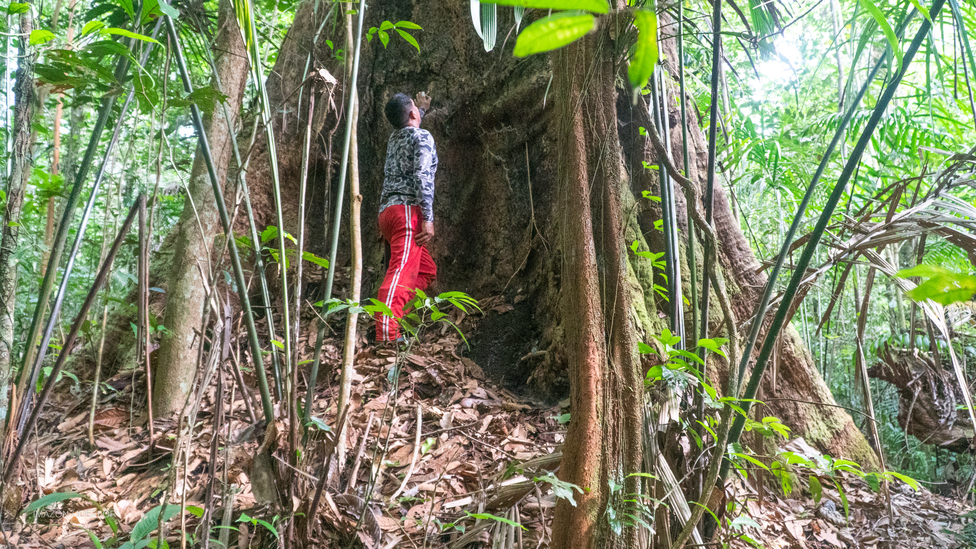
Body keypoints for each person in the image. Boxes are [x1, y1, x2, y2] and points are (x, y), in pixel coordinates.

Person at [374, 91, 437, 342]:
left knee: (426, 271)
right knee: (399, 272)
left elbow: (411, 126)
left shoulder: (395, 138)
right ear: (412, 113)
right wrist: (428, 218)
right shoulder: (423, 137)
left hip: (388, 214)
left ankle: (394, 319)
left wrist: (420, 110)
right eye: (415, 108)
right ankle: (387, 335)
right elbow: (423, 176)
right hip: (407, 214)